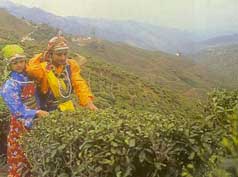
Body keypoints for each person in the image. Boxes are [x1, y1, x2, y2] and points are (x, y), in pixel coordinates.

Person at [0, 45, 49, 177]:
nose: (19, 65)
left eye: (21, 61)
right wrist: (36, 113)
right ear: (9, 65)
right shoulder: (10, 85)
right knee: (18, 152)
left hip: (35, 119)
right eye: (15, 63)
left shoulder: (28, 77)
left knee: (31, 152)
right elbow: (16, 109)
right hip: (20, 122)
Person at [26, 34, 98, 111]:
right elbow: (31, 71)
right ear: (51, 54)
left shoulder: (71, 65)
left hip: (66, 109)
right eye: (59, 54)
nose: (63, 58)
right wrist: (41, 56)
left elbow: (79, 83)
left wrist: (88, 102)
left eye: (65, 54)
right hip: (45, 110)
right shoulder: (43, 68)